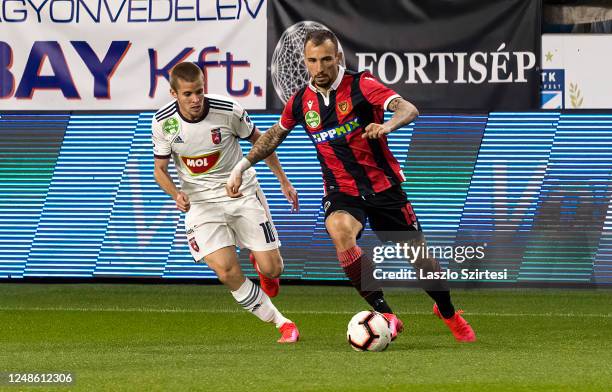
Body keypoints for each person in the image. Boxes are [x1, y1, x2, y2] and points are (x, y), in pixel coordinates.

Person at [227, 30, 476, 342]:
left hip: (383, 187)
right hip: (341, 190)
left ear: (338, 58)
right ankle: (385, 313)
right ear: (305, 62)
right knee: (340, 230)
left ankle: (448, 312)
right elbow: (273, 135)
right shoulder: (301, 102)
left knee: (422, 260)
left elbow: (407, 109)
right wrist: (240, 167)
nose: (319, 68)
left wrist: (386, 125)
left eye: (326, 60)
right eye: (312, 61)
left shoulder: (361, 84)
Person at [152, 62, 300, 343]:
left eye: (199, 91)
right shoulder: (163, 123)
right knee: (226, 271)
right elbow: (159, 170)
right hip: (200, 204)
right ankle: (282, 323)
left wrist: (283, 180)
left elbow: (263, 143)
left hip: (241, 192)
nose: (195, 100)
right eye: (187, 94)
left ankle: (262, 263)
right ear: (174, 93)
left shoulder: (228, 110)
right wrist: (175, 194)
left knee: (273, 270)